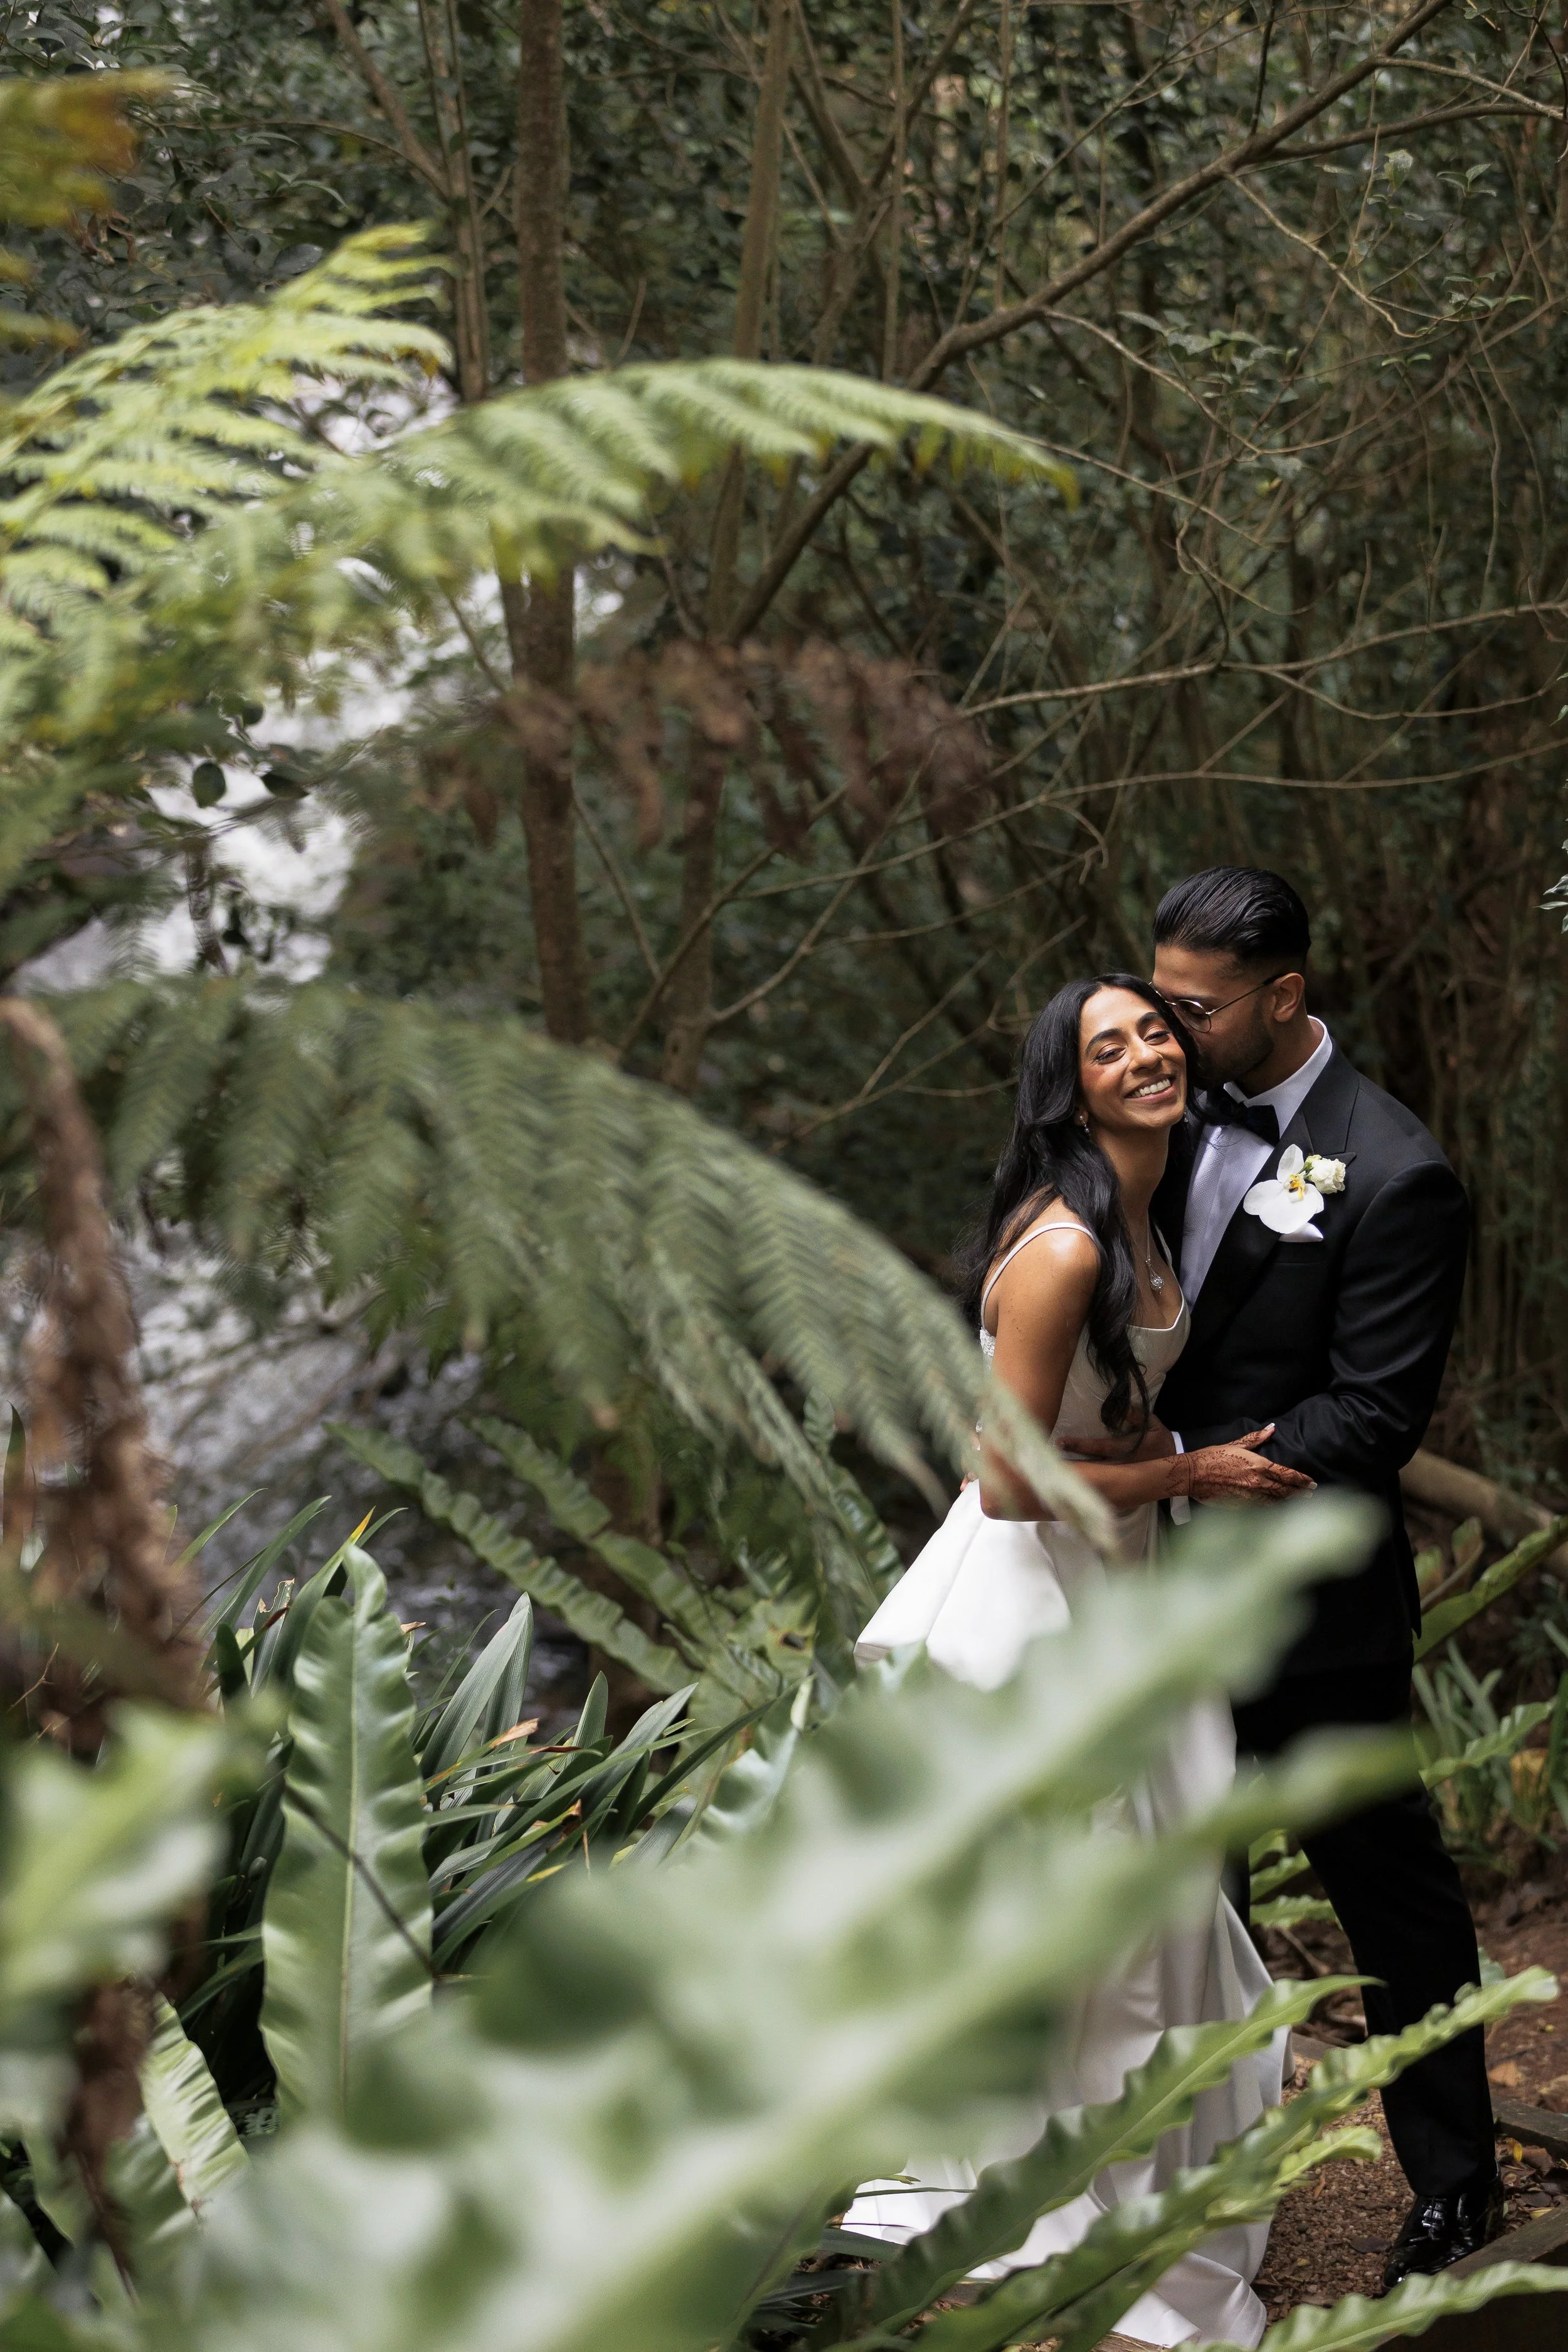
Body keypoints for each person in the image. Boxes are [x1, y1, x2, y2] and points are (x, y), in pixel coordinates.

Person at [846, 973, 1312, 2350]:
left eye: (1154, 1032)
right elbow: (1002, 1481)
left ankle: (1127, 2183)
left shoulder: (1139, 1217)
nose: (1144, 1055)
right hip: (1029, 1603)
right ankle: (1059, 2209)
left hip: (1113, 1587)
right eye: (1107, 1047)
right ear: (1070, 1087)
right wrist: (1193, 1470)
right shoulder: (1058, 1250)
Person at [1128, 865, 1496, 2286]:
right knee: (1175, 1902)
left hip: (1306, 1616)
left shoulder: (1394, 1170)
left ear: (1283, 998)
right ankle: (1189, 2212)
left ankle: (1454, 2188)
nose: (1167, 1032)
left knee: (1391, 1901)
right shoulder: (1143, 1119)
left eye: (1196, 1009)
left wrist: (1175, 1461)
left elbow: (1369, 1417)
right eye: (1155, 997)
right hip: (1149, 1604)